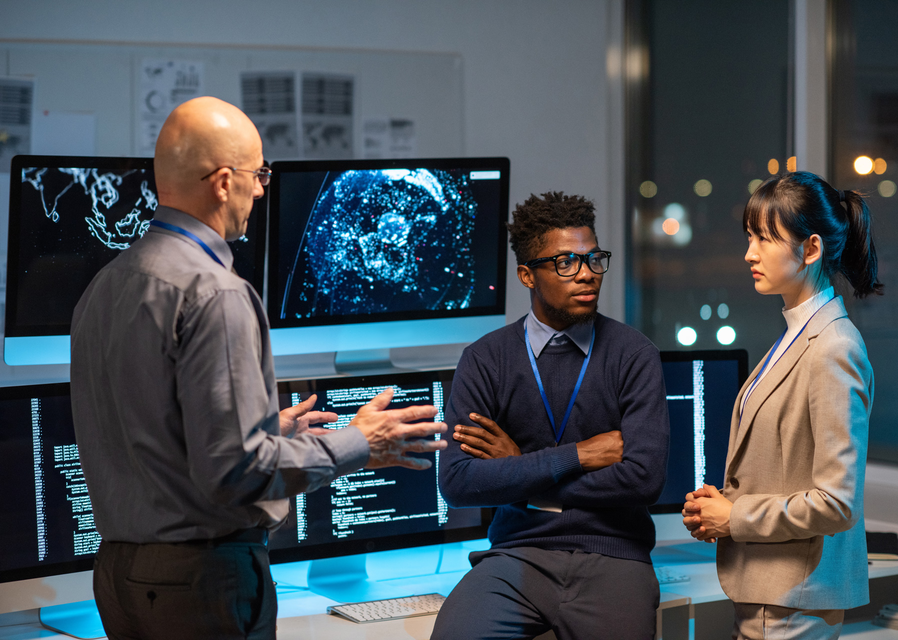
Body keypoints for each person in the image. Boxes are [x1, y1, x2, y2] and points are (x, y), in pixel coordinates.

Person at [70, 96, 446, 640]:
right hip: (200, 582)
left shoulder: (104, 287)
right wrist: (360, 442)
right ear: (224, 182)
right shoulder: (214, 292)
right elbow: (235, 474)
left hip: (119, 582)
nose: (263, 188)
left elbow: (146, 437)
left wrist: (269, 433)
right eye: (259, 172)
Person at [430, 191, 670, 640]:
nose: (587, 275)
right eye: (565, 263)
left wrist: (519, 467)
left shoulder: (634, 354)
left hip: (615, 554)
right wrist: (577, 454)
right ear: (527, 275)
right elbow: (459, 483)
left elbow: (644, 479)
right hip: (517, 553)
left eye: (594, 259)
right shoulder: (485, 359)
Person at [681, 171, 882, 640]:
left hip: (793, 598)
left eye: (766, 238)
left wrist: (736, 517)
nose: (750, 253)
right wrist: (721, 507)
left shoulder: (834, 347)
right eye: (749, 237)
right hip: (772, 592)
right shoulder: (796, 334)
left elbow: (837, 503)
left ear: (811, 250)